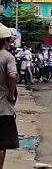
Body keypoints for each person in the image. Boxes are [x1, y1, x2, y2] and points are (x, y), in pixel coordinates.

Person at [0, 24, 20, 167]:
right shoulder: (7, 57)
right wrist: (11, 95)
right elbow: (12, 76)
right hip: (3, 108)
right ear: (5, 41)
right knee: (1, 143)